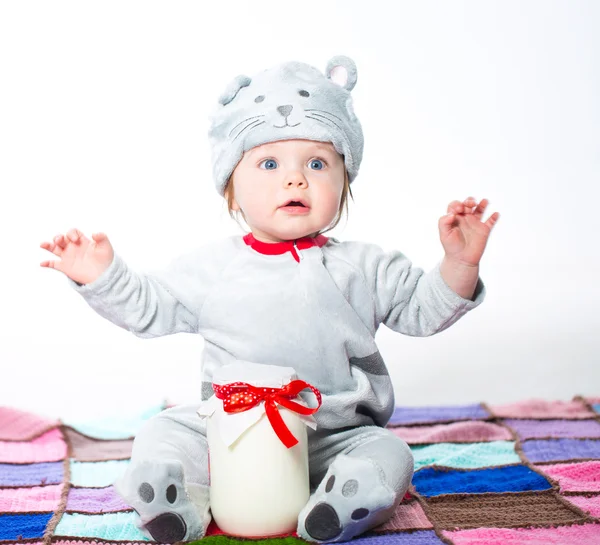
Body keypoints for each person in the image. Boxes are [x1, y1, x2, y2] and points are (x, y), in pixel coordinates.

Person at [39, 55, 499, 543]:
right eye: (270, 163)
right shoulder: (212, 268)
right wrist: (102, 276)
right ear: (231, 187)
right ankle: (178, 502)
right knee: (162, 434)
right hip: (231, 436)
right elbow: (147, 308)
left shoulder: (366, 267)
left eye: (317, 163)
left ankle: (344, 501)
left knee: (392, 454)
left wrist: (459, 264)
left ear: (344, 180)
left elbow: (421, 312)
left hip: (332, 433)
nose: (295, 179)